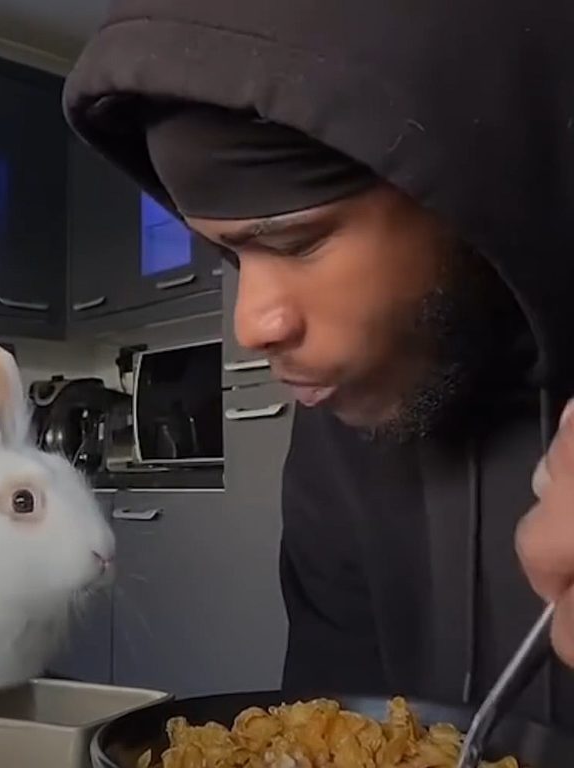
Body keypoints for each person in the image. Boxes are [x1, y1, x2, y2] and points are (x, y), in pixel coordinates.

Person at [63, 0, 574, 727]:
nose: (251, 326)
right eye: (229, 253)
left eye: (299, 242)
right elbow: (333, 718)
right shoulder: (343, 430)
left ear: (477, 194)